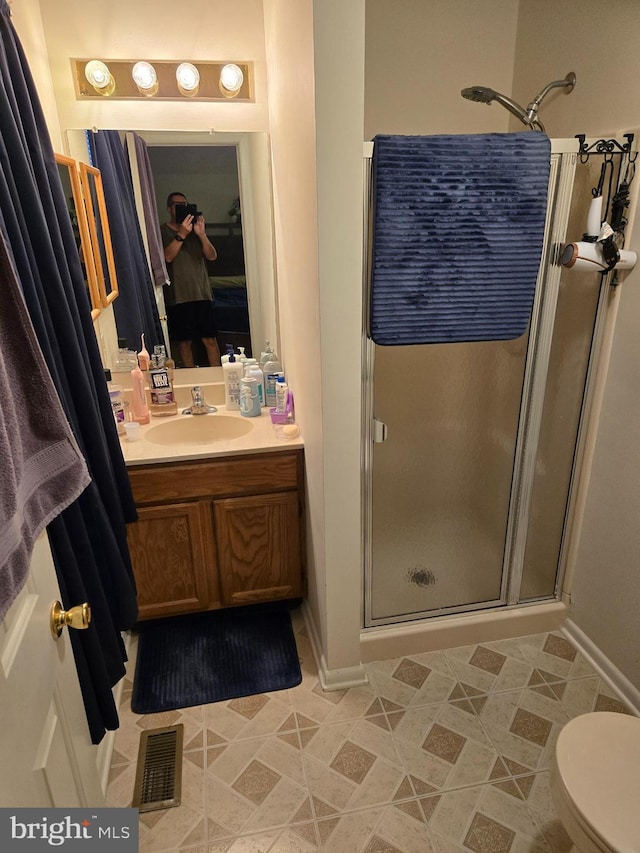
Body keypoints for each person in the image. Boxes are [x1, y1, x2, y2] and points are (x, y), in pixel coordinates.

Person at [161, 191, 221, 367]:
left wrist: (201, 234)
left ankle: (216, 378)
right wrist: (181, 234)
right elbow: (167, 257)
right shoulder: (162, 231)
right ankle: (190, 382)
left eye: (185, 204)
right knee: (184, 343)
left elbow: (211, 256)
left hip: (202, 293)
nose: (182, 208)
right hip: (178, 296)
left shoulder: (196, 231)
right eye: (177, 205)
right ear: (169, 209)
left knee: (210, 340)